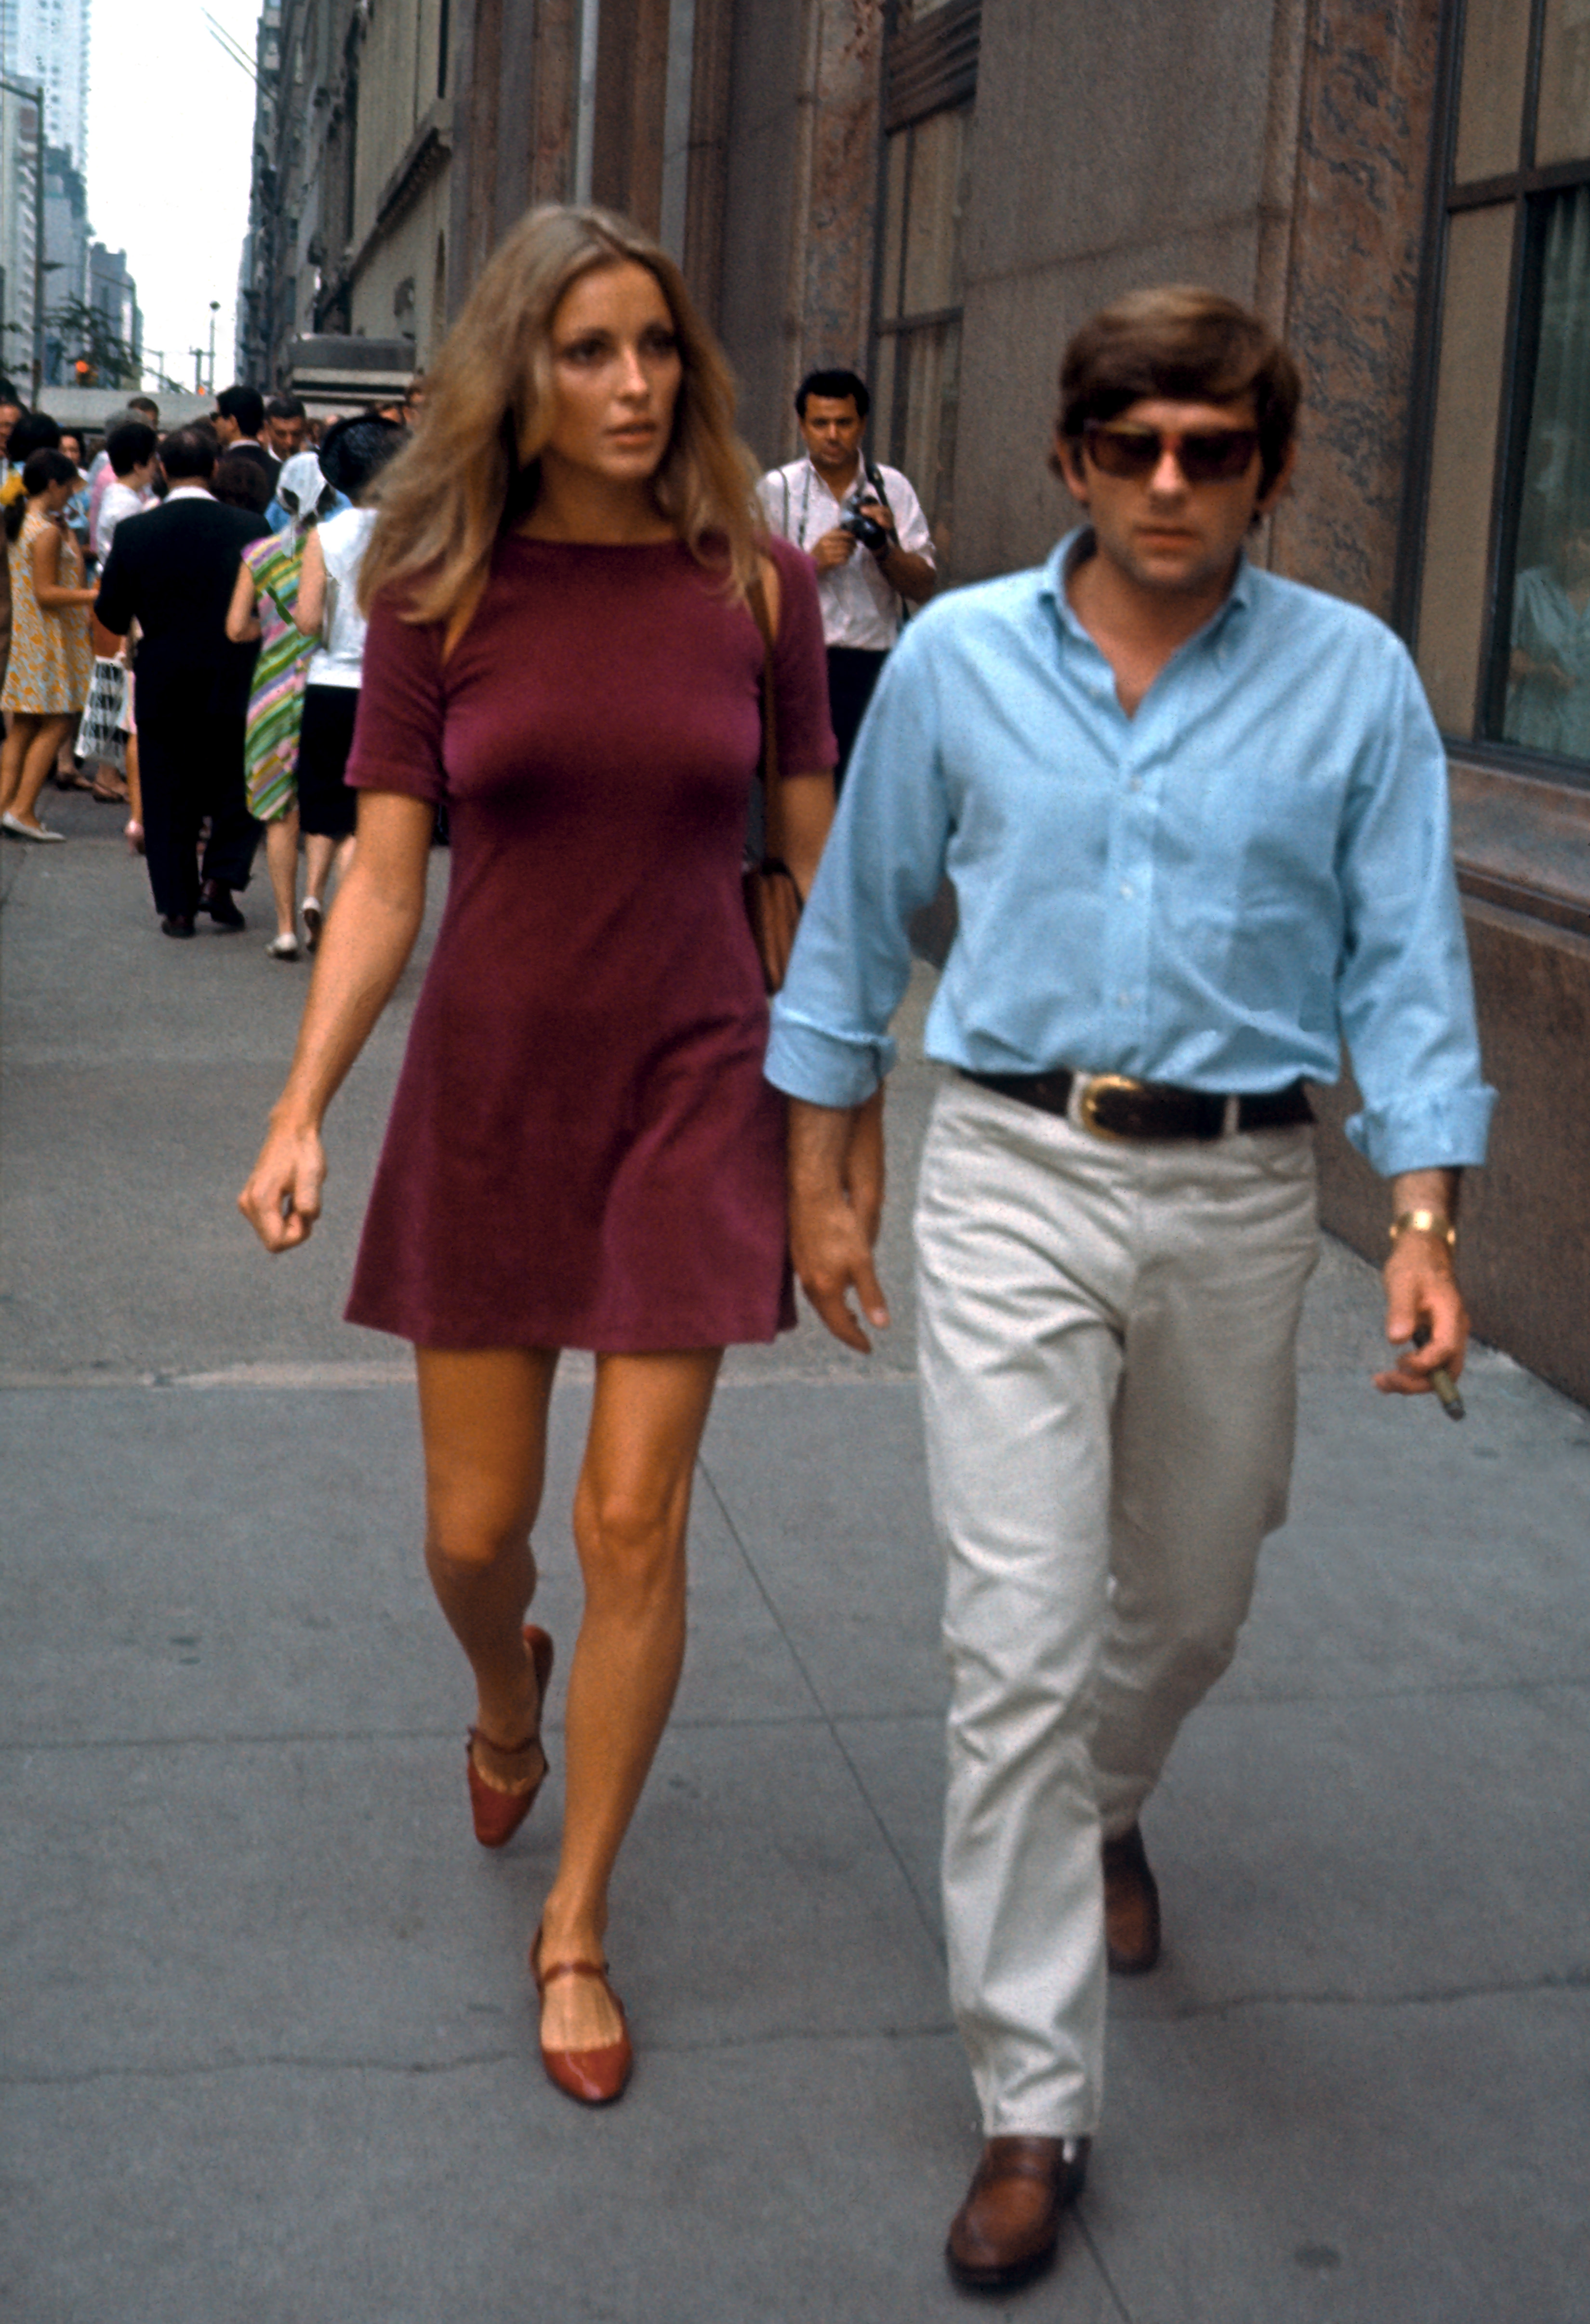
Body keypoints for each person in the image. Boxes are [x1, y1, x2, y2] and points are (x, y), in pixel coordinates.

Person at [765, 285, 1497, 2294]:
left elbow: (1409, 965)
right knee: (1011, 1632)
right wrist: (825, 1177)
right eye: (1138, 446)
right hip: (1007, 1166)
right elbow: (853, 934)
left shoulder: (1351, 681)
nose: (1175, 482)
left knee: (1191, 1585)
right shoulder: (961, 664)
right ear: (1078, 459)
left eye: (1218, 450)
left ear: (1265, 467)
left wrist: (1423, 1216)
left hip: (1250, 1182)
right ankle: (1035, 2090)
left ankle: (1113, 1794)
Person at [238, 201, 838, 2109]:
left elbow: (820, 877)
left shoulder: (758, 578)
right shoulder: (434, 587)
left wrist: (835, 1147)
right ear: (522, 370)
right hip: (492, 1087)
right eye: (589, 349)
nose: (636, 382)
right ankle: (510, 1690)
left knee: (634, 1513)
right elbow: (387, 875)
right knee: (475, 1532)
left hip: (691, 1081)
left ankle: (577, 1914)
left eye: (657, 345)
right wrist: (301, 1097)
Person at [94, 425, 270, 936]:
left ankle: (176, 905)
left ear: (163, 469)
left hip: (163, 677)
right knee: (240, 784)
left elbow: (110, 610)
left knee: (169, 793)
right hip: (234, 673)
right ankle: (222, 878)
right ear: (215, 469)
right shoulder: (250, 526)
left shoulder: (135, 533)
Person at [756, 366, 936, 785]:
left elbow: (924, 585)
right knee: (797, 793)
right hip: (800, 665)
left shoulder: (891, 486)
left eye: (844, 423)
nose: (833, 435)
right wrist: (808, 565)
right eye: (820, 423)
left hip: (874, 667)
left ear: (863, 425)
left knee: (868, 793)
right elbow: (750, 592)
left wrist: (883, 548)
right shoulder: (776, 489)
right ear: (802, 426)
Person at [287, 415, 404, 947]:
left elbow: (308, 620)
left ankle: (314, 893)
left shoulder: (323, 537)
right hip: (389, 688)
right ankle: (357, 921)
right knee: (365, 815)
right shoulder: (415, 537)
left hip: (329, 684)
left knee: (324, 804)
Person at [225, 451, 336, 957]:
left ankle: (286, 927)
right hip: (325, 682)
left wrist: (269, 632)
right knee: (323, 805)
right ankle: (316, 892)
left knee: (277, 812)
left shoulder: (260, 552)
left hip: (270, 691)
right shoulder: (338, 551)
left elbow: (234, 628)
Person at [0, 450, 97, 839]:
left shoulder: (24, 522)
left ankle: (8, 805)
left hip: (31, 636)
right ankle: (23, 810)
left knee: (23, 726)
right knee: (58, 722)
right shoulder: (46, 531)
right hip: (51, 637)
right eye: (70, 488)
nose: (71, 496)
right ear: (54, 485)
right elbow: (47, 592)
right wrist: (92, 596)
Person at [1505, 508, 1590, 758]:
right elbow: (1499, 655)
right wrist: (1538, 671)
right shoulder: (1529, 586)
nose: (1575, 547)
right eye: (1568, 538)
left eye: (1586, 540)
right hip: (1531, 729)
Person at [213, 385, 277, 488]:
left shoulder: (217, 470)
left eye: (216, 417)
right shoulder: (279, 470)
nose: (214, 423)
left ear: (232, 422)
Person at [265, 394, 308, 464]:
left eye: (296, 434)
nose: (290, 442)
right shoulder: (257, 468)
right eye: (281, 434)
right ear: (267, 429)